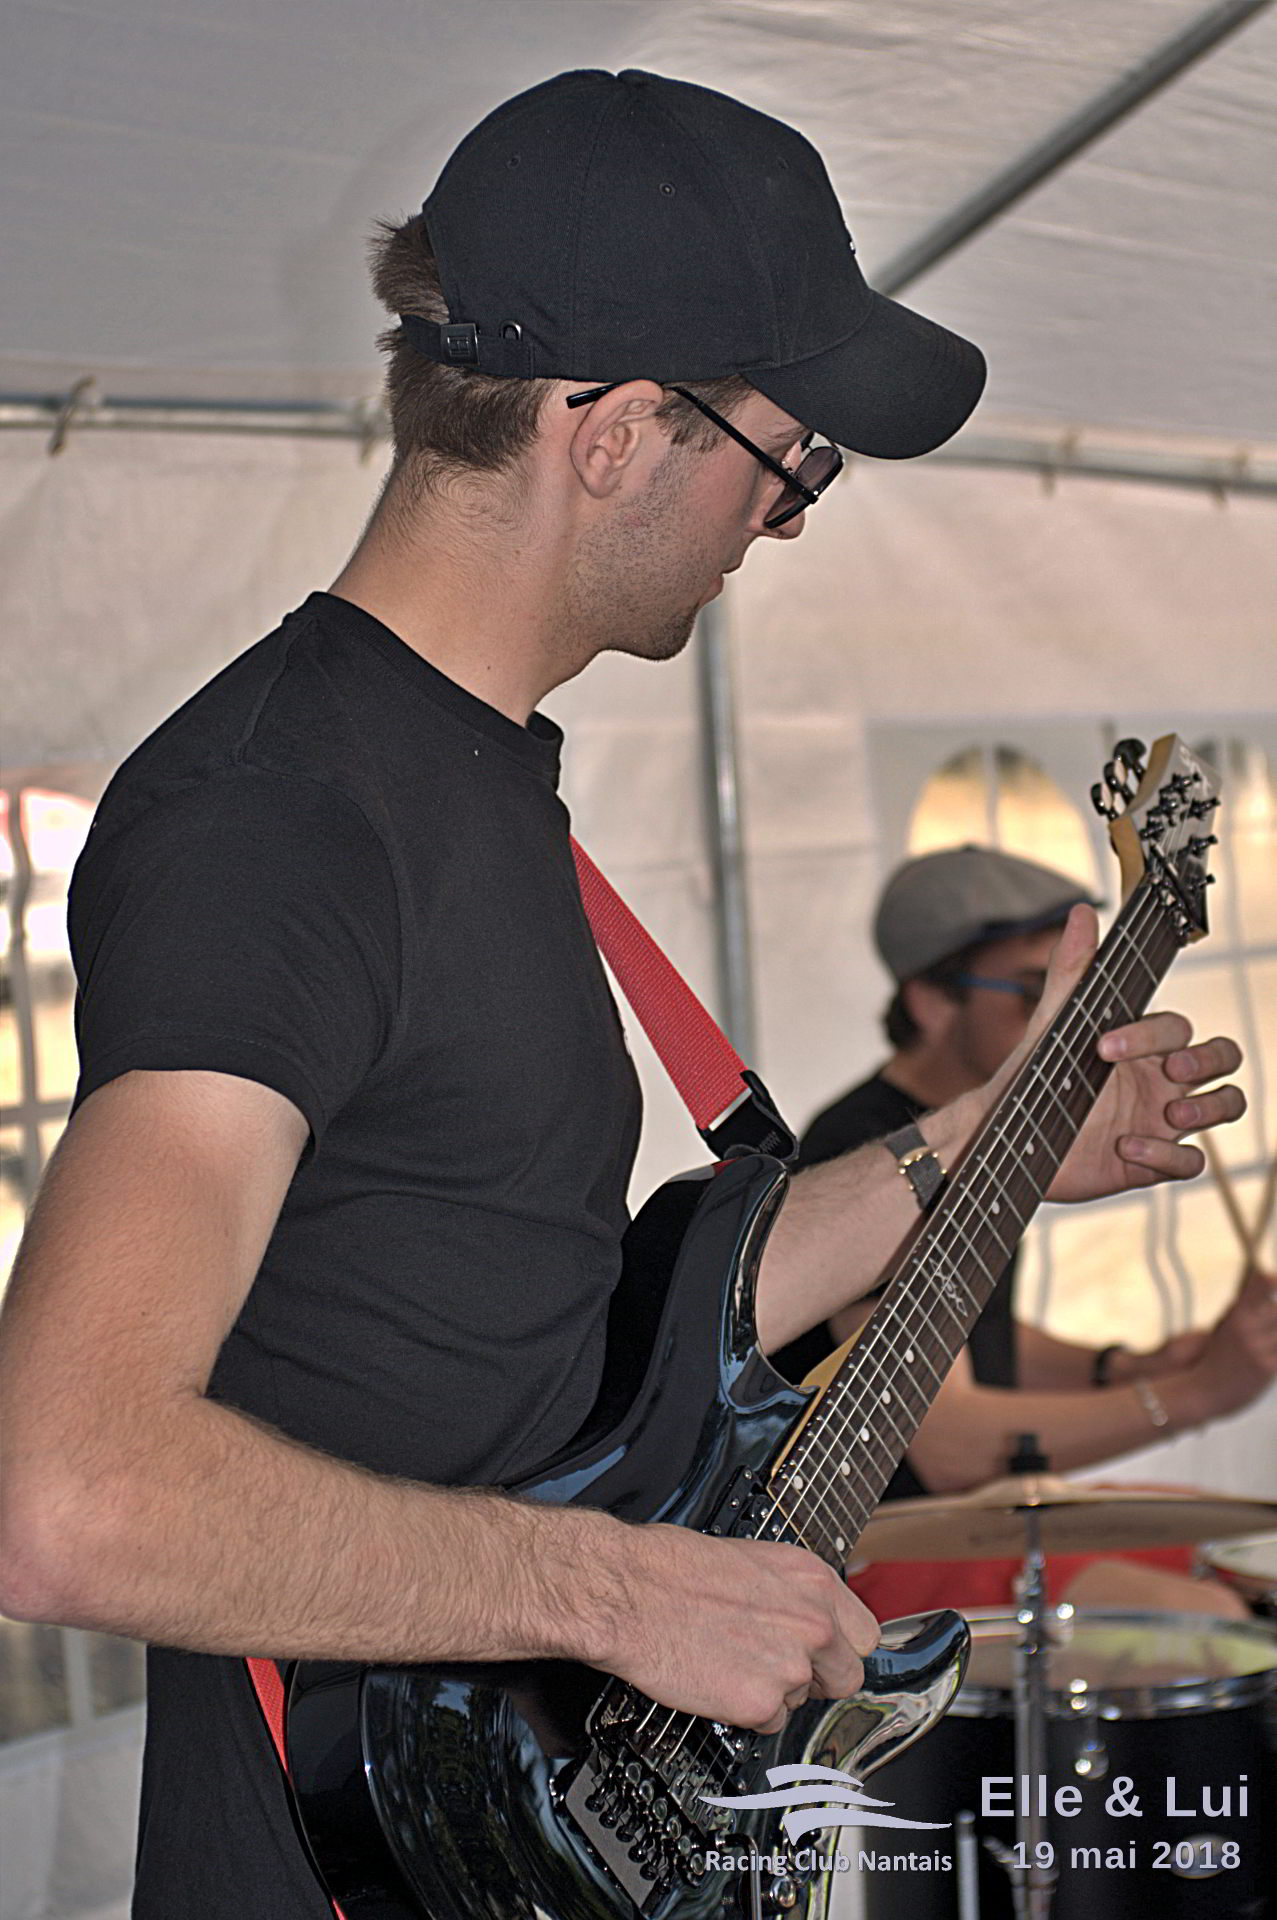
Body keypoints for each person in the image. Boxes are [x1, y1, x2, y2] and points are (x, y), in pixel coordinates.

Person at [0, 70, 1249, 1920]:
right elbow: (68, 1489)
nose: (788, 517)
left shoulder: (474, 775)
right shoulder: (282, 818)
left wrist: (989, 1140)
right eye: (787, 458)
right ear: (612, 432)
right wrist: (616, 1593)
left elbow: (574, 1333)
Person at [775, 844, 1277, 1617]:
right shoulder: (870, 1154)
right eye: (1031, 990)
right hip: (860, 1556)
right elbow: (948, 1445)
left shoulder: (987, 1131)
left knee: (1241, 1554)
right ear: (931, 1003)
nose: (1061, 1020)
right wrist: (1194, 1394)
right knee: (1209, 1617)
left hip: (950, 1524)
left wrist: (1121, 1365)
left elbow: (961, 1329)